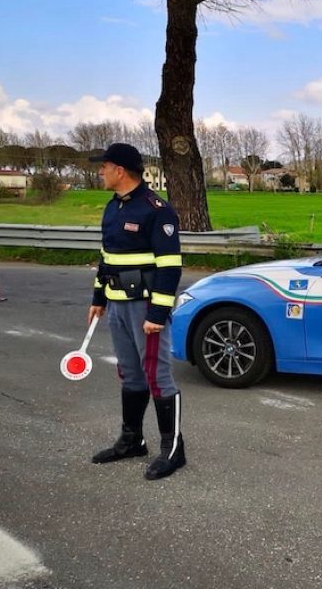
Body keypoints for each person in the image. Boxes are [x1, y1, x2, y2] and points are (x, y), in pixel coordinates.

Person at [86, 143, 186, 480]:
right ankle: (132, 440)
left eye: (104, 166)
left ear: (120, 170)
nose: (100, 171)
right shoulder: (113, 208)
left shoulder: (156, 210)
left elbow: (170, 267)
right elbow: (107, 257)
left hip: (145, 307)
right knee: (130, 373)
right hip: (117, 304)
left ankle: (173, 449)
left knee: (158, 376)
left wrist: (157, 315)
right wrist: (99, 297)